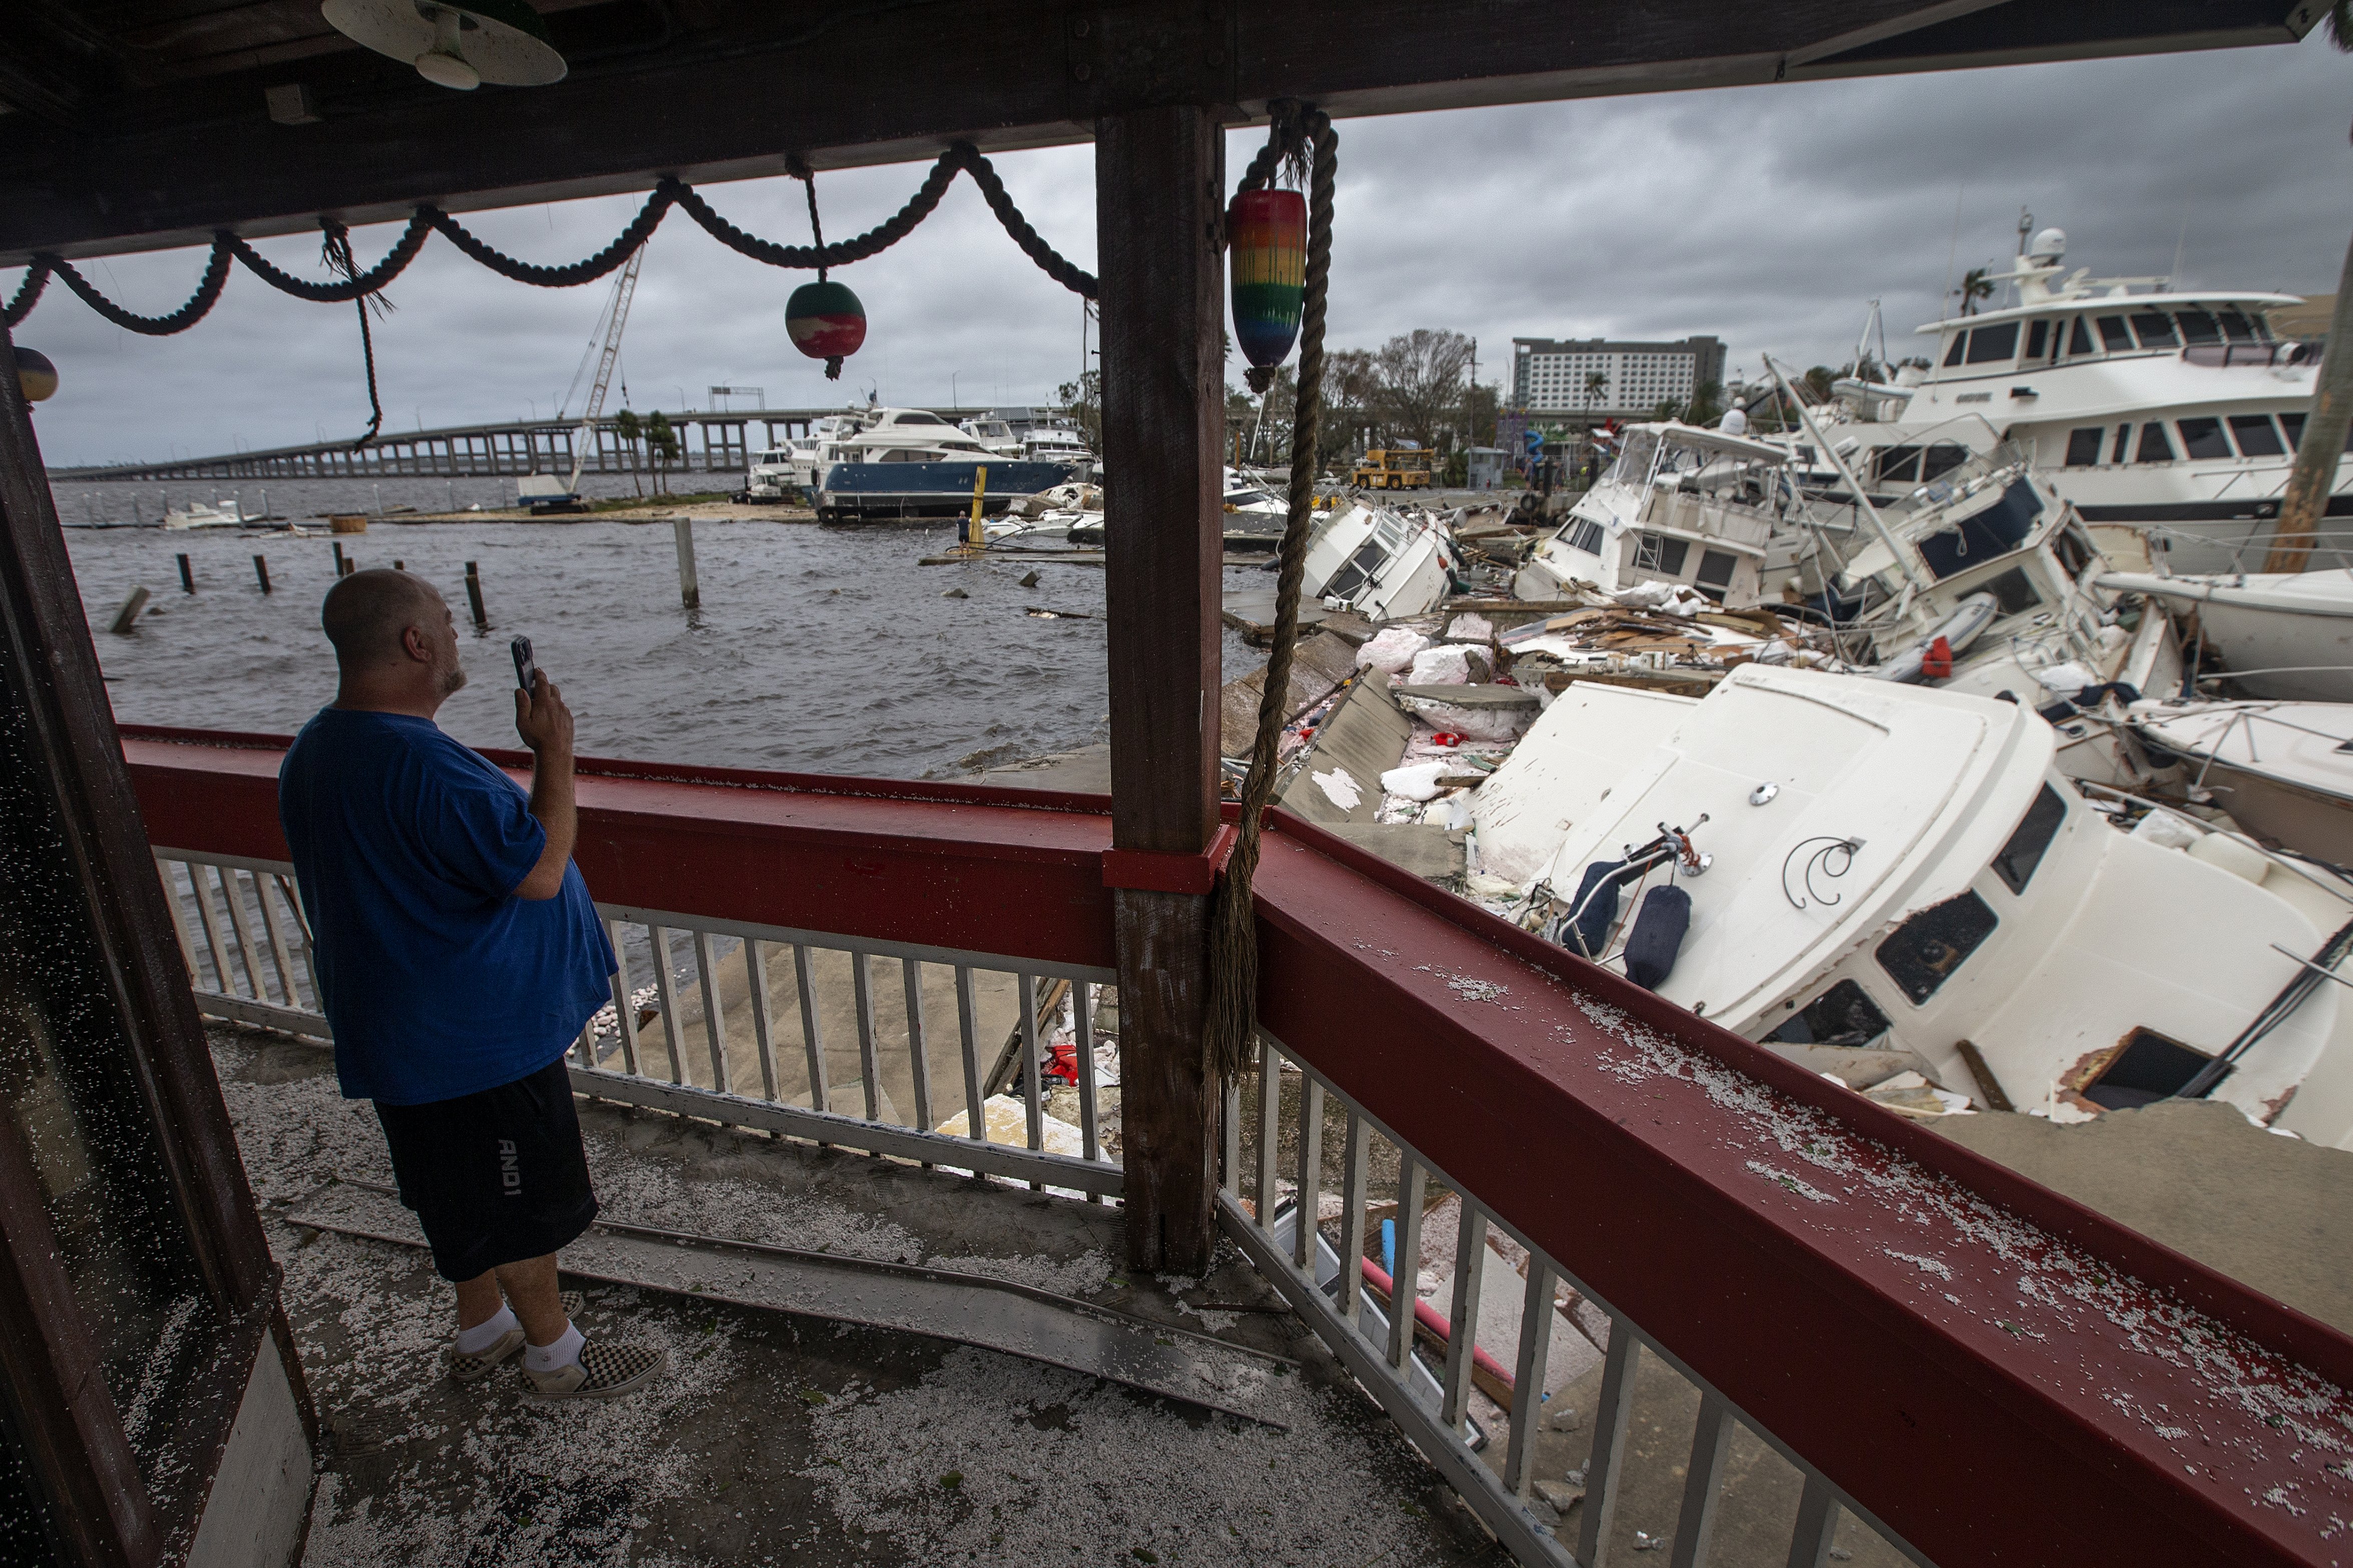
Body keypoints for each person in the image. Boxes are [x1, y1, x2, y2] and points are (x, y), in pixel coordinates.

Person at [278, 570, 662, 1398]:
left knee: (452, 1187)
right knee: (515, 1201)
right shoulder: (422, 766)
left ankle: (481, 1325)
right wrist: (554, 755)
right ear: (416, 643)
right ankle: (556, 1356)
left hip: (401, 1027)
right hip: (474, 1043)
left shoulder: (317, 748)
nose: (458, 636)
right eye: (448, 624)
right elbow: (540, 867)